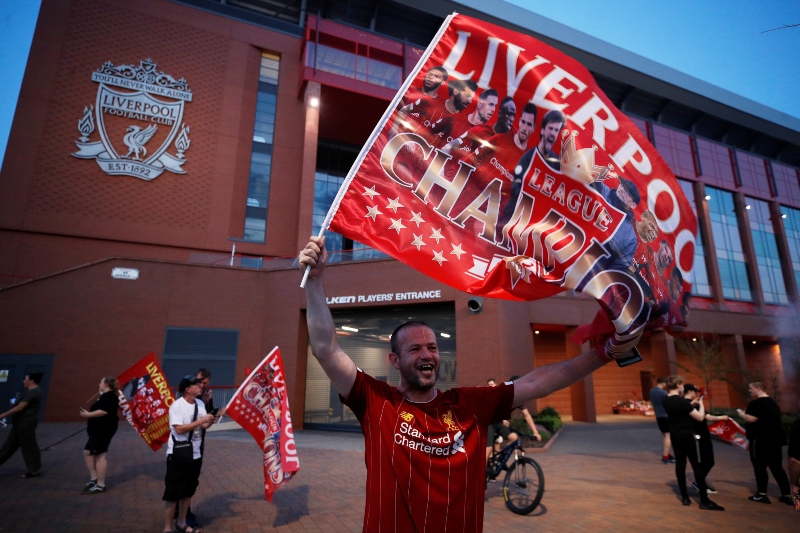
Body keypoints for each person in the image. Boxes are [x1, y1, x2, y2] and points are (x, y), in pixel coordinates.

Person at [299, 236, 632, 532]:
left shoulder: (468, 406)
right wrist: (314, 282)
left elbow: (538, 382)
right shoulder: (376, 401)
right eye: (414, 349)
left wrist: (604, 353)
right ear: (395, 361)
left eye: (432, 346)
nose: (427, 353)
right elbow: (326, 349)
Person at [662, 375, 724, 510]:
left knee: (680, 464)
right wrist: (700, 404)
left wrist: (689, 405)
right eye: (681, 384)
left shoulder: (665, 400)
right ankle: (704, 499)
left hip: (675, 435)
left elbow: (678, 410)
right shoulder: (682, 402)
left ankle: (685, 497)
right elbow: (700, 417)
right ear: (678, 385)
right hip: (687, 436)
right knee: (696, 465)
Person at [163, 375, 215, 533]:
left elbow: (203, 426)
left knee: (188, 490)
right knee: (173, 492)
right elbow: (179, 429)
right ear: (188, 389)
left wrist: (211, 420)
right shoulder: (177, 406)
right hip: (179, 453)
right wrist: (201, 421)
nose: (201, 387)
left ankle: (182, 523)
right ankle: (167, 528)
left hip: (195, 454)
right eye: (197, 385)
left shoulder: (200, 403)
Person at [737, 381, 793, 505]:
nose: (750, 391)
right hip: (775, 440)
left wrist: (742, 414)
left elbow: (751, 419)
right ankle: (786, 495)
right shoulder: (772, 403)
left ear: (757, 389)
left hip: (760, 440)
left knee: (759, 466)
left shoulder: (756, 403)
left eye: (751, 389)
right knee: (777, 467)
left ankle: (762, 494)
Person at [683, 383, 729, 493]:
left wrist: (722, 417)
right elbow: (704, 417)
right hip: (699, 435)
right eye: (695, 391)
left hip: (700, 434)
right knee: (706, 460)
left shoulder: (689, 403)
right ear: (689, 391)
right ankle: (699, 482)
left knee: (706, 460)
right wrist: (722, 417)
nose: (696, 394)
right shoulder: (690, 404)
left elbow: (707, 417)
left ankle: (700, 481)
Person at [485, 377, 542, 462]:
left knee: (514, 438)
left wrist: (535, 432)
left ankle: (500, 458)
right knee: (489, 449)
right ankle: (480, 473)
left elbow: (527, 415)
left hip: (499, 424)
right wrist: (502, 418)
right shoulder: (504, 394)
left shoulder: (518, 399)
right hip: (490, 423)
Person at [79, 375, 120, 493]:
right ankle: (94, 478)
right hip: (96, 430)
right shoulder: (104, 396)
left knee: (100, 456)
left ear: (106, 384)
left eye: (100, 383)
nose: (99, 384)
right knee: (87, 452)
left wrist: (88, 414)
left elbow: (104, 411)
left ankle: (100, 485)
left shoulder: (110, 397)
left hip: (103, 430)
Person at [0, 371, 44, 478]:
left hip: (26, 423)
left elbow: (20, 407)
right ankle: (34, 469)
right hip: (20, 423)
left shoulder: (34, 392)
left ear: (31, 380)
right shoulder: (31, 391)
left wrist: (2, 415)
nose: (23, 381)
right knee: (8, 446)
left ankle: (34, 470)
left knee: (29, 446)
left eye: (25, 379)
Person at [648, 376, 674, 464]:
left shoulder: (651, 391)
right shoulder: (663, 392)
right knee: (668, 435)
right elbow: (669, 402)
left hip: (658, 415)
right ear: (663, 383)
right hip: (666, 415)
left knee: (664, 434)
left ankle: (667, 453)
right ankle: (665, 456)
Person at [788, 413, 800, 510]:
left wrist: (792, 456)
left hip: (796, 458)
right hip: (795, 457)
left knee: (795, 483)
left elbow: (793, 440)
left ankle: (798, 505)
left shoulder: (797, 423)